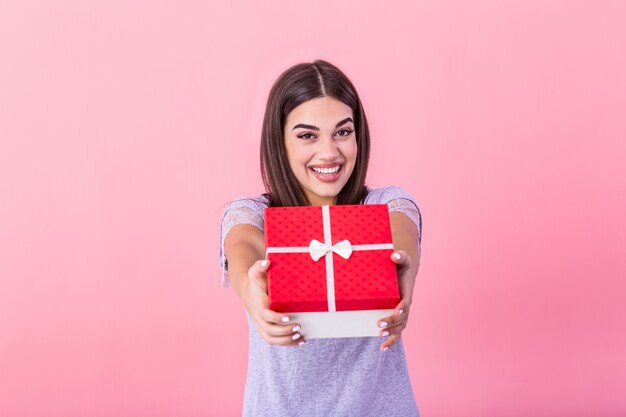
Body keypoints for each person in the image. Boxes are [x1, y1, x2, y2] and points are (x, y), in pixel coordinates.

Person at [219, 59, 422, 417]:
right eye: (307, 135)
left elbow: (399, 230)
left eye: (343, 132)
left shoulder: (385, 202)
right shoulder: (252, 214)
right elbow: (243, 245)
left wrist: (402, 264)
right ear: (279, 142)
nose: (329, 152)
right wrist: (251, 291)